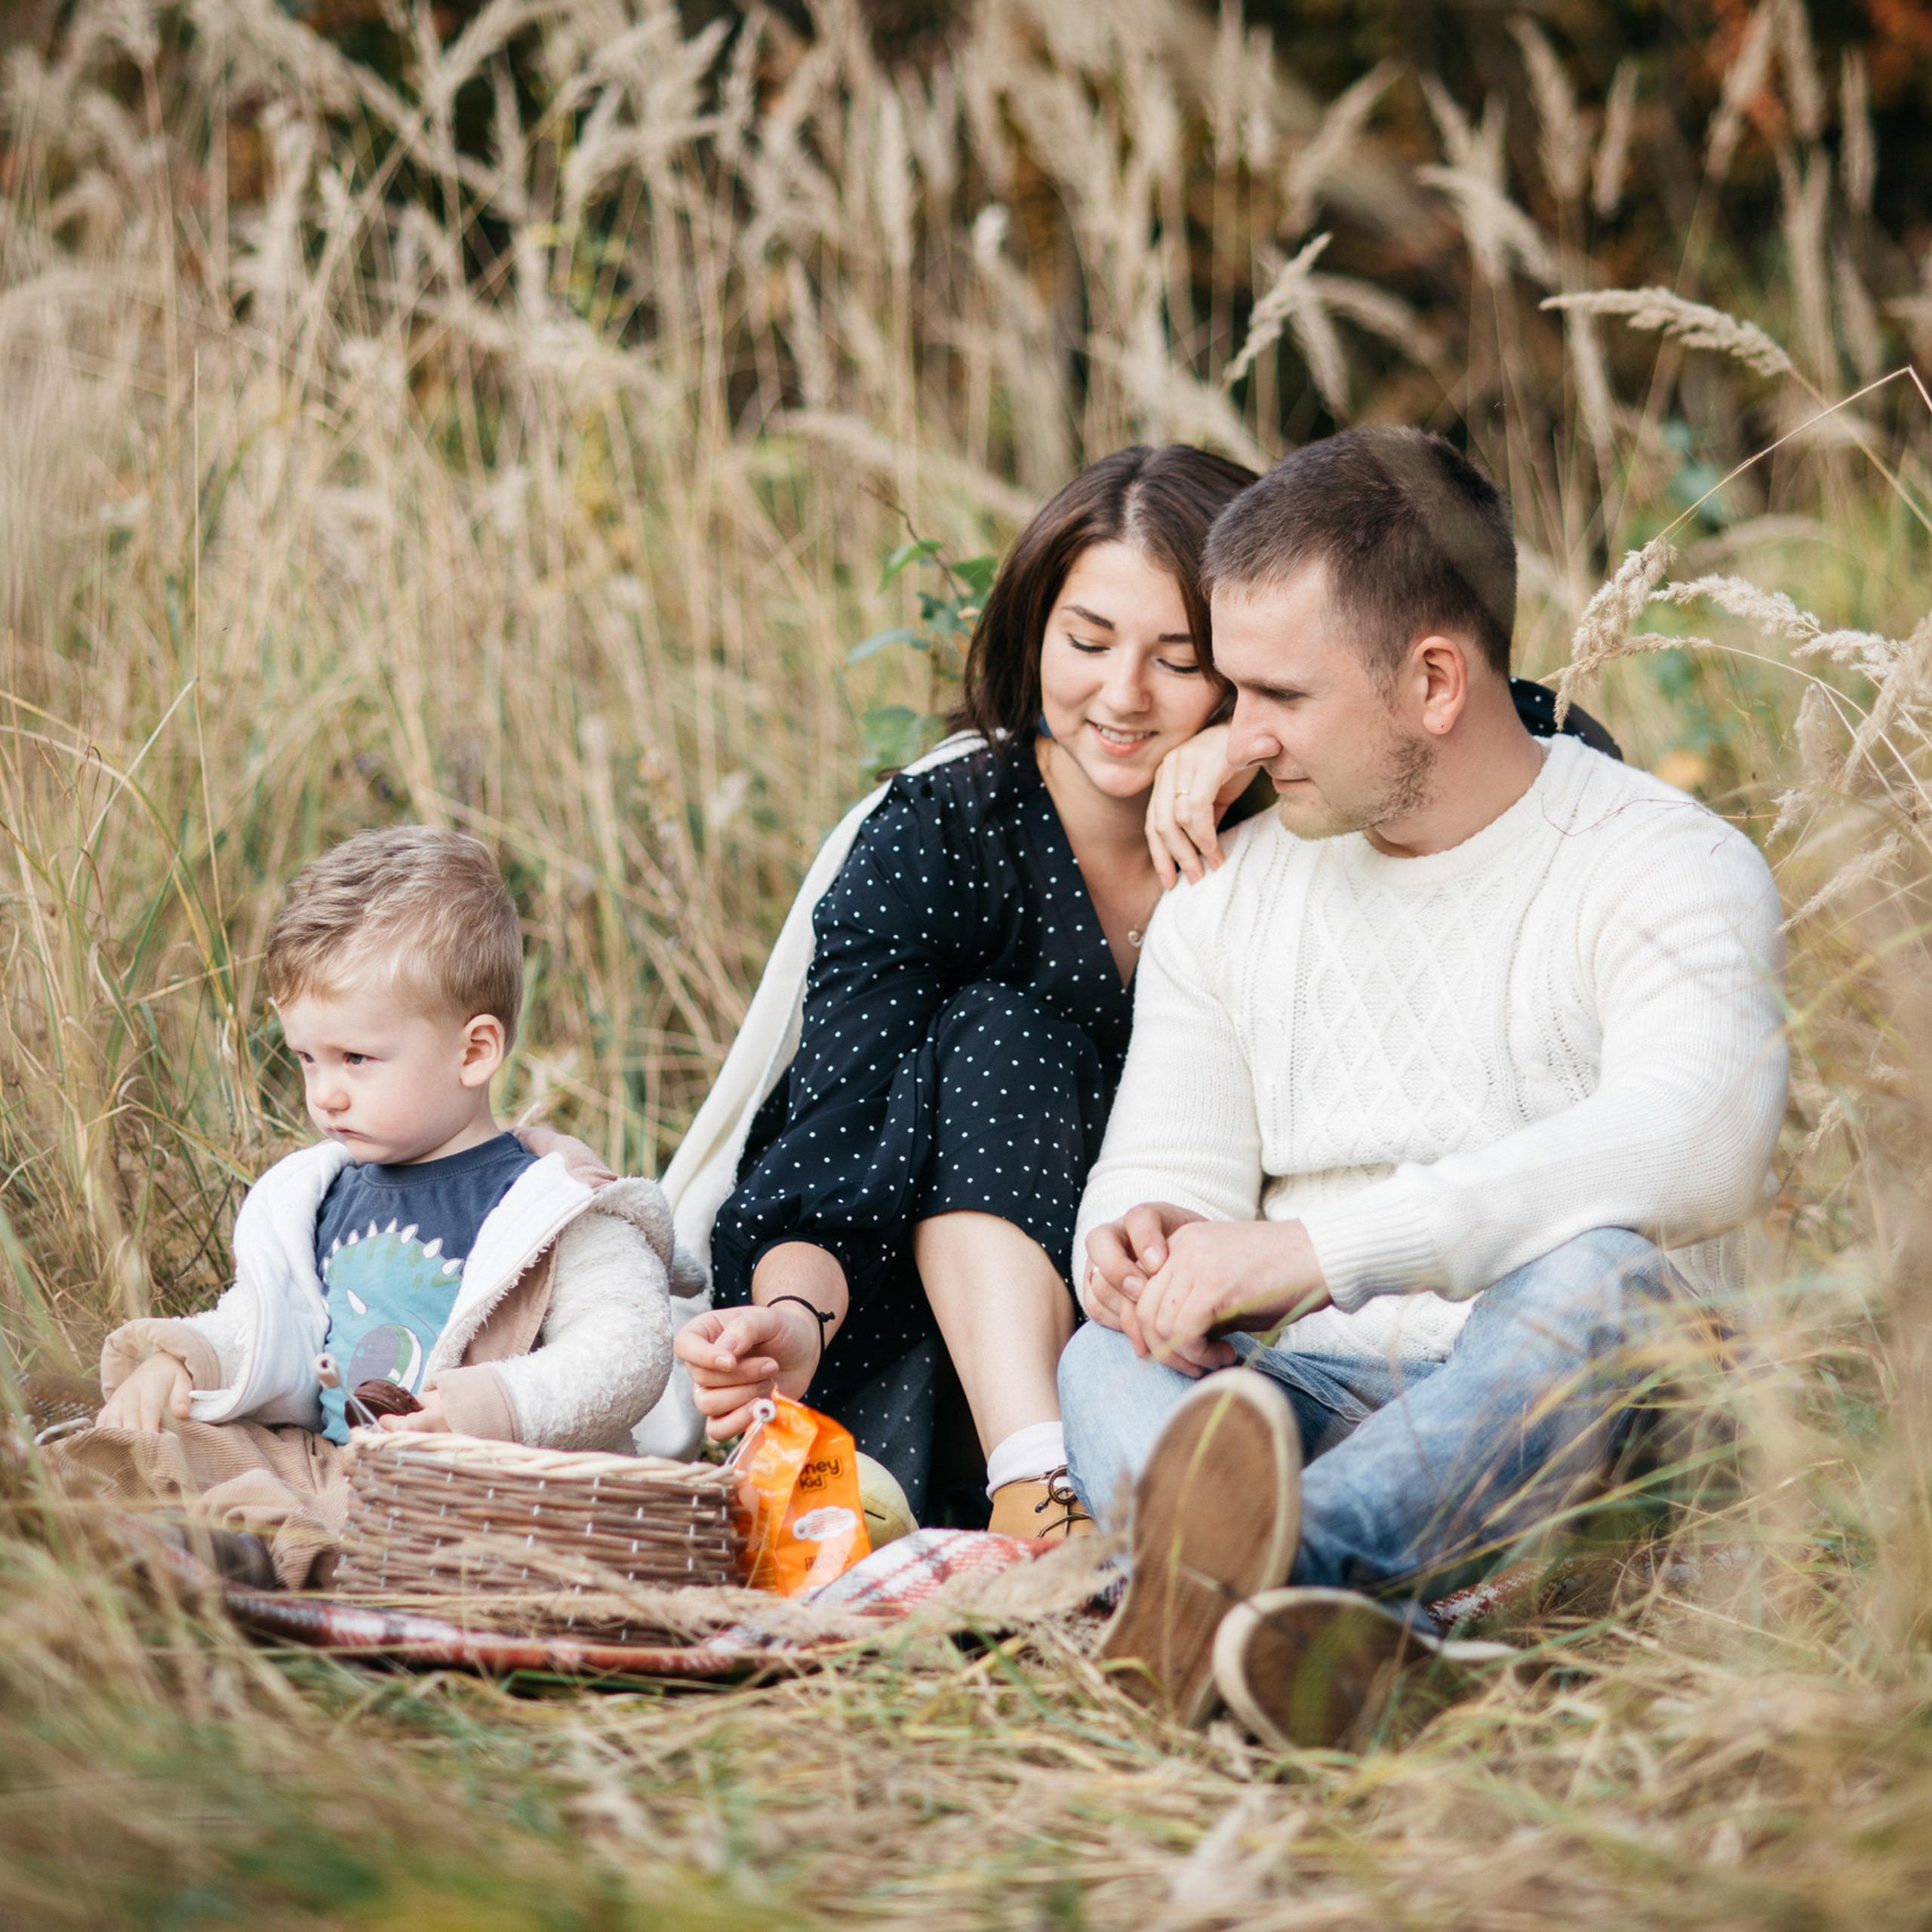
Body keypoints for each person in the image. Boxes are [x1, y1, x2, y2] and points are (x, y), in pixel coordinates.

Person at [660, 443, 1621, 1539]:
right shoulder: (945, 835)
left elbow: (1541, 738)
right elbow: (831, 1145)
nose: (1122, 696)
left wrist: (1244, 744)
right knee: (1000, 1033)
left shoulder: (1310, 803)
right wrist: (790, 1321)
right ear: (1033, 633)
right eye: (1086, 641)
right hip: (960, 1364)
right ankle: (1043, 1499)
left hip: (1224, 1344)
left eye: (1179, 657)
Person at [1057, 426, 1788, 1743]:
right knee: (1105, 1352)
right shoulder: (1226, 902)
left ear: (1435, 680)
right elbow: (1166, 1162)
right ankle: (1327, 1638)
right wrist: (1140, 1241)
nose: (1237, 737)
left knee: (1606, 1282)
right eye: (1233, 691)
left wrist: (1319, 1249)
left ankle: (1222, 1592)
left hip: (1567, 1420)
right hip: (1309, 1410)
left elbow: (1705, 1136)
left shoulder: (1665, 863)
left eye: (1279, 695)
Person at [52, 826, 697, 1586]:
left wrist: (494, 1405)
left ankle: (274, 1567)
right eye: (306, 1058)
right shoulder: (320, 1193)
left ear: (474, 1051)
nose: (325, 1093)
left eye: (356, 1058)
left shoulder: (554, 1208)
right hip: (328, 1466)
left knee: (486, 1548)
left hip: (481, 1490)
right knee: (152, 1441)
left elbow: (627, 1351)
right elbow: (263, 1326)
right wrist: (180, 1359)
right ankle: (196, 1546)